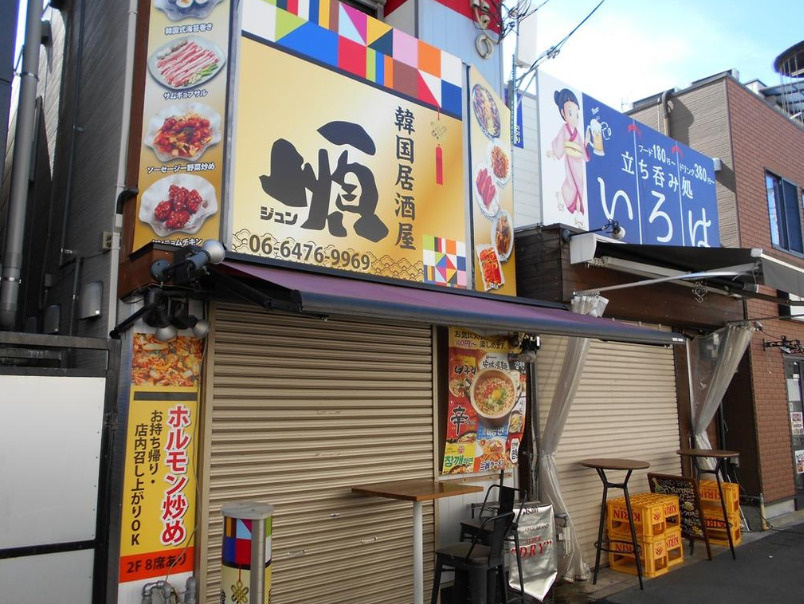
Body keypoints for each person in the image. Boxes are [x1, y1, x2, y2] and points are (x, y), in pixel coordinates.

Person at [546, 88, 590, 222]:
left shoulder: (577, 132)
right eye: (570, 113)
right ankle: (577, 212)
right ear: (562, 113)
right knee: (572, 183)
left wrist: (586, 142)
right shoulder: (564, 129)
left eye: (577, 114)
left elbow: (582, 149)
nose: (574, 117)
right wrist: (553, 152)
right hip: (570, 161)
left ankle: (567, 200)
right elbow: (560, 143)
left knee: (579, 184)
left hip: (578, 163)